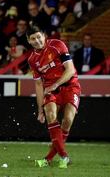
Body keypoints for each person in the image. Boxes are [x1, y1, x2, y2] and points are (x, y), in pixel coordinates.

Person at [27, 25, 81, 169]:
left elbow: (70, 70)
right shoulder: (32, 60)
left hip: (70, 86)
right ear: (29, 41)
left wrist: (55, 85)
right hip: (51, 90)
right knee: (50, 115)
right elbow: (38, 85)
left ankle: (48, 158)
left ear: (44, 36)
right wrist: (40, 109)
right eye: (33, 38)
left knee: (68, 120)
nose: (37, 40)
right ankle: (64, 156)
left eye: (39, 36)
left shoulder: (57, 45)